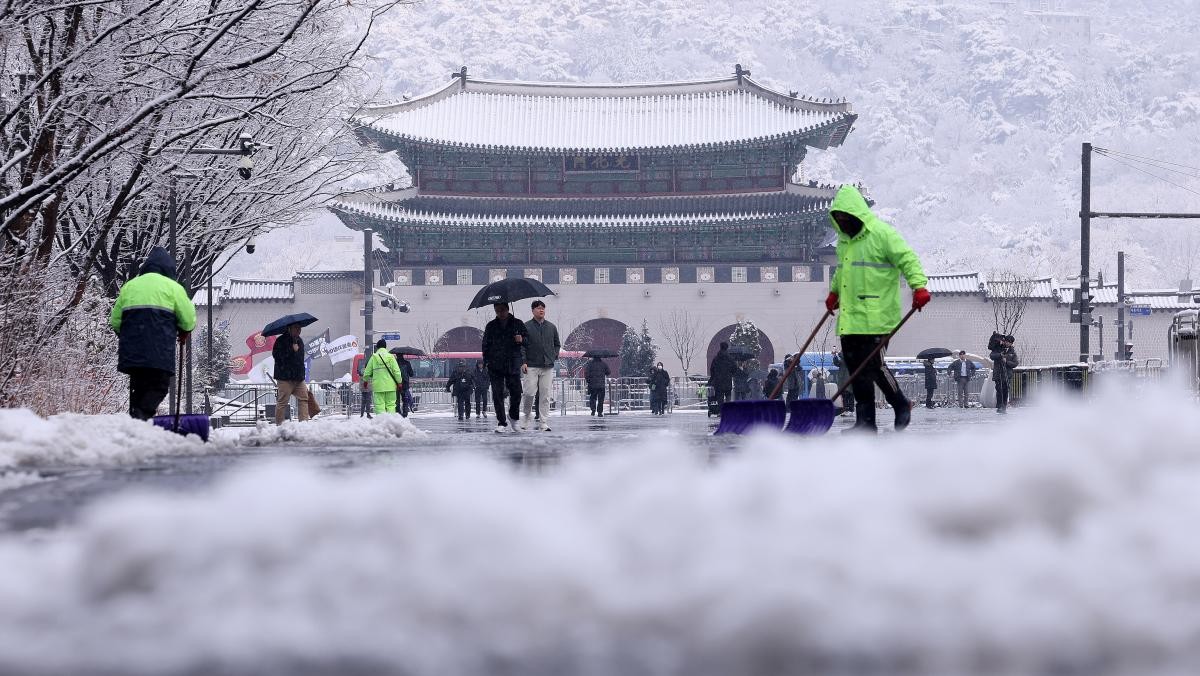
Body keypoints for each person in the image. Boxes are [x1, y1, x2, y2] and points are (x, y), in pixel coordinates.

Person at [825, 184, 930, 432]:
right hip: (851, 318)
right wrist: (834, 292)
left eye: (845, 217)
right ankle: (865, 423)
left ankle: (900, 402)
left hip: (878, 315)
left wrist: (919, 287)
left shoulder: (882, 235)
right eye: (838, 218)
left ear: (856, 214)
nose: (842, 221)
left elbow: (908, 258)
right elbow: (843, 270)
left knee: (873, 366)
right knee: (855, 371)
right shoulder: (844, 243)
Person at [109, 246, 196, 420]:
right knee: (159, 385)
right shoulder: (173, 287)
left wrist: (130, 337)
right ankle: (141, 418)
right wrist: (184, 331)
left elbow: (115, 321)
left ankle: (136, 423)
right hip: (159, 349)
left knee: (138, 388)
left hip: (132, 350)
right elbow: (188, 319)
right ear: (169, 269)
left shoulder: (130, 286)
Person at [482, 302, 528, 433]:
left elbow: (528, 340)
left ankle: (513, 417)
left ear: (508, 309)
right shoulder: (491, 326)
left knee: (517, 392)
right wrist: (486, 361)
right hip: (495, 364)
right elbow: (485, 344)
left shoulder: (517, 323)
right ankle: (501, 422)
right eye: (497, 311)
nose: (500, 313)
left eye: (502, 310)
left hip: (512, 362)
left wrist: (521, 339)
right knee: (497, 394)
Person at [521, 300, 560, 431]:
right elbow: (522, 347)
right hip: (531, 365)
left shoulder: (551, 327)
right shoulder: (526, 327)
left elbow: (557, 344)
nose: (541, 310)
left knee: (545, 395)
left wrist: (553, 355)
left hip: (547, 365)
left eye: (543, 308)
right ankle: (526, 418)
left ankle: (543, 422)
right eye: (538, 308)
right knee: (529, 393)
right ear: (532, 310)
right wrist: (523, 361)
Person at [271, 322, 311, 424]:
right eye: (296, 328)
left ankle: (304, 424)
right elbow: (277, 356)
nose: (299, 330)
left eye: (300, 328)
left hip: (298, 378)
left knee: (304, 399)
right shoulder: (281, 340)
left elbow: (300, 359)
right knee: (283, 402)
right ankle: (280, 425)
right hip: (285, 378)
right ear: (289, 328)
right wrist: (291, 350)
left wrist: (302, 375)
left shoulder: (299, 341)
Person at [362, 339, 404, 414]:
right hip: (390, 386)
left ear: (377, 347)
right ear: (385, 347)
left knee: (379, 406)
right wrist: (399, 382)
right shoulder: (391, 357)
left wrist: (365, 381)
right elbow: (397, 372)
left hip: (378, 386)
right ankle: (390, 422)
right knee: (391, 405)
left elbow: (367, 372)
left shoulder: (374, 357)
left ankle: (381, 422)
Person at [989, 334, 1020, 414]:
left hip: (1007, 374)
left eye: (1009, 342)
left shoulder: (1012, 351)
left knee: (1005, 390)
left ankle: (1004, 407)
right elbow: (992, 356)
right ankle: (999, 406)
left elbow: (1015, 363)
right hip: (998, 373)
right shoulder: (998, 348)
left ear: (1011, 343)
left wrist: (1007, 362)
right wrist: (1000, 355)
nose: (1007, 343)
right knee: (999, 390)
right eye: (1006, 341)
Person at [709, 342, 735, 408]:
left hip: (718, 381)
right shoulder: (730, 359)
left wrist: (712, 378)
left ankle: (721, 411)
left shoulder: (716, 358)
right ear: (727, 348)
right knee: (728, 396)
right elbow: (734, 369)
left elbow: (712, 369)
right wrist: (730, 374)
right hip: (727, 380)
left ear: (720, 347)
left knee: (719, 397)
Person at [831, 347, 854, 414]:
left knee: (849, 395)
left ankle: (850, 410)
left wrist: (838, 353)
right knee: (844, 396)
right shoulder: (842, 361)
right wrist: (835, 356)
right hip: (843, 381)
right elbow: (836, 363)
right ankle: (846, 409)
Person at [394, 352, 416, 417]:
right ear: (403, 355)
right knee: (405, 400)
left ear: (396, 355)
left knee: (396, 400)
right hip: (405, 385)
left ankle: (398, 413)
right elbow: (411, 374)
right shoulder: (407, 363)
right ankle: (405, 414)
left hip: (396, 384)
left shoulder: (394, 363)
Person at [357, 347, 373, 419]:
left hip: (362, 382)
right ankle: (367, 414)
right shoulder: (369, 361)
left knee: (364, 400)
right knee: (368, 400)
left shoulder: (361, 361)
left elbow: (358, 371)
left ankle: (362, 414)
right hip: (368, 382)